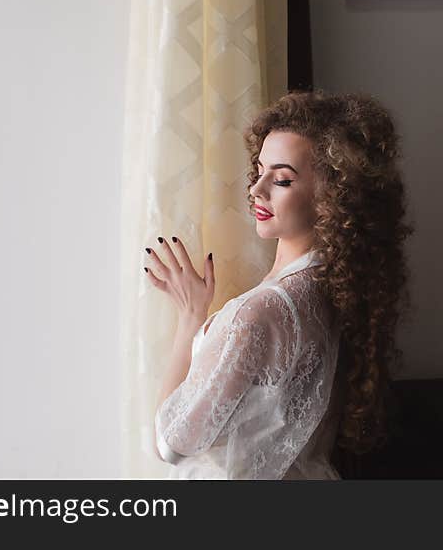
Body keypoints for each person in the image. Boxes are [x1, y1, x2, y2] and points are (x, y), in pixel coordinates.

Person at [144, 90, 413, 479]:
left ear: (333, 196)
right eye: (259, 170)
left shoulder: (258, 313)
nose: (256, 190)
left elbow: (171, 443)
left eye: (282, 179)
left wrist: (190, 318)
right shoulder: (336, 291)